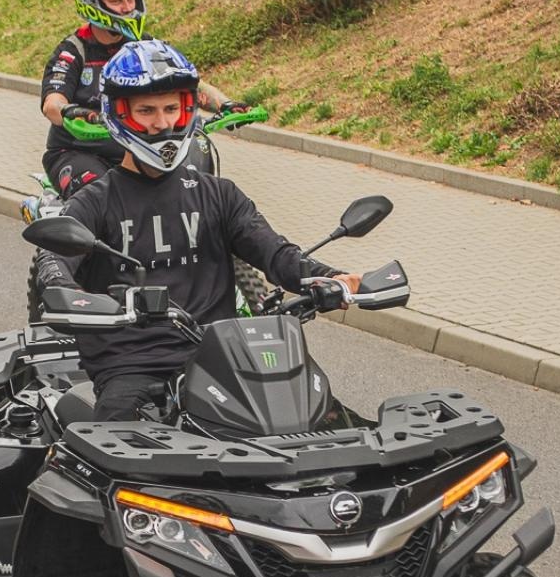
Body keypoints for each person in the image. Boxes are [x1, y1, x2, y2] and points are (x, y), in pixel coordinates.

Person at [34, 40, 358, 422]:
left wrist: (331, 278)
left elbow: (275, 253)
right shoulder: (97, 200)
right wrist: (72, 296)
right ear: (118, 114)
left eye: (172, 108)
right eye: (146, 111)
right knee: (116, 455)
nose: (163, 123)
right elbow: (52, 258)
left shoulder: (218, 194)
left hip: (220, 360)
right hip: (136, 367)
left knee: (326, 422)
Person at [41, 0, 241, 200]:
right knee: (102, 200)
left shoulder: (146, 46)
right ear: (91, 2)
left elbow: (188, 84)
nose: (126, 7)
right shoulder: (73, 51)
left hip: (144, 149)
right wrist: (75, 113)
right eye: (116, 0)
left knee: (194, 190)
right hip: (80, 152)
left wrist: (226, 104)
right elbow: (52, 103)